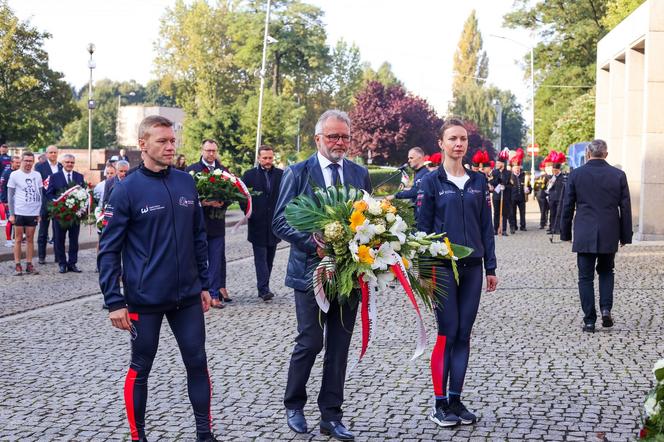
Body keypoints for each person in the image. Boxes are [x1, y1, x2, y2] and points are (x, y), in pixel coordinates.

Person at [98, 116, 216, 442]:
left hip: (188, 297)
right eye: (162, 141)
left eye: (172, 140)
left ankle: (205, 436)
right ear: (143, 145)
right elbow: (108, 251)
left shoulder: (185, 183)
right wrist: (114, 301)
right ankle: (139, 438)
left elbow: (198, 237)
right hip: (144, 300)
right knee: (140, 369)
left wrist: (204, 284)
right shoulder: (125, 191)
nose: (169, 146)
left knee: (197, 362)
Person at [273, 109, 372, 441]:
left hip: (349, 274)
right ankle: (294, 404)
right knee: (311, 341)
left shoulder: (359, 174)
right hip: (309, 272)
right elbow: (280, 222)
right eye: (332, 136)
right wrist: (311, 242)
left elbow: (370, 219)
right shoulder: (298, 173)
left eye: (344, 136)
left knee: (339, 346)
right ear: (318, 139)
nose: (339, 142)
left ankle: (331, 415)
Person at [418, 118, 498, 428]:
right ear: (441, 143)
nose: (458, 144)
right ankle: (439, 404)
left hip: (473, 267)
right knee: (447, 331)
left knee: (464, 333)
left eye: (463, 139)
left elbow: (486, 228)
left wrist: (490, 267)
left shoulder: (478, 182)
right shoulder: (430, 182)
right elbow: (422, 231)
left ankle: (455, 399)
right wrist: (423, 271)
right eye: (452, 138)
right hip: (442, 268)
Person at [560, 139, 632, 333]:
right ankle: (606, 309)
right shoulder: (618, 175)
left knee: (585, 278)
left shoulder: (576, 174)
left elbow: (568, 206)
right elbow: (625, 208)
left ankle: (590, 320)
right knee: (607, 272)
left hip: (584, 232)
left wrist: (565, 233)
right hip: (609, 231)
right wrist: (625, 236)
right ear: (606, 154)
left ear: (588, 154)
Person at [186, 139, 231, 308]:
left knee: (215, 260)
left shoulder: (223, 171)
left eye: (214, 151)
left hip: (217, 224)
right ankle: (198, 293)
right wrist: (203, 203)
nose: (211, 154)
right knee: (198, 260)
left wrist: (222, 203)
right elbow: (186, 197)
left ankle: (214, 295)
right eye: (208, 150)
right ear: (202, 150)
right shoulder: (191, 171)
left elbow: (232, 194)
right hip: (198, 224)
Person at [241, 145, 283, 301]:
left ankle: (264, 286)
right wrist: (249, 213)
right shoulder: (249, 175)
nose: (268, 161)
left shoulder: (281, 174)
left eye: (270, 158)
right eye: (265, 158)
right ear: (258, 158)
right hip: (257, 224)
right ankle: (263, 289)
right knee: (260, 259)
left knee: (269, 259)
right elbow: (242, 197)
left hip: (274, 224)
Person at [45, 154, 85, 274]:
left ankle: (72, 263)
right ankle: (62, 264)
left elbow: (83, 193)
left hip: (74, 216)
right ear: (62, 163)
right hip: (60, 215)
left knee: (74, 241)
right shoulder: (54, 177)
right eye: (67, 162)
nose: (69, 164)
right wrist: (57, 203)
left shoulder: (79, 177)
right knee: (59, 240)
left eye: (72, 162)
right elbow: (49, 193)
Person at [7, 151, 43, 276]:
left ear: (33, 162)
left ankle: (29, 264)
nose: (28, 163)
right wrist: (11, 214)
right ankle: (17, 265)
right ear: (21, 161)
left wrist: (39, 212)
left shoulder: (37, 175)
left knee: (30, 239)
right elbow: (10, 196)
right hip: (19, 211)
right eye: (26, 160)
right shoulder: (14, 175)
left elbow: (40, 194)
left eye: (30, 161)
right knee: (17, 239)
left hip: (32, 212)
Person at [35, 145, 63, 263]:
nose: (53, 154)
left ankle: (58, 256)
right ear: (46, 154)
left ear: (57, 153)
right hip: (44, 203)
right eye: (50, 152)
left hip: (58, 204)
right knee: (43, 232)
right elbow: (37, 186)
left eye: (55, 152)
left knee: (58, 232)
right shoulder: (40, 167)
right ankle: (41, 256)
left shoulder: (61, 166)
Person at [389, 147, 429, 220]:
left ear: (420, 157)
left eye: (411, 158)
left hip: (422, 216)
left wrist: (395, 196)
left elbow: (416, 192)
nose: (409, 161)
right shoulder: (419, 173)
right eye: (409, 158)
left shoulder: (424, 174)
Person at [489, 149, 513, 236]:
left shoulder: (509, 173)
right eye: (497, 163)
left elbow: (511, 185)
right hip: (496, 195)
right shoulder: (494, 172)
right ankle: (495, 229)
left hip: (505, 196)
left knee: (504, 213)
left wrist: (505, 187)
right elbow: (491, 182)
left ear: (502, 164)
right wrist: (497, 180)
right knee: (496, 213)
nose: (497, 164)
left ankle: (503, 230)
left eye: (498, 163)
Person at [1, 155, 20, 247]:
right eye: (16, 163)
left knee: (18, 220)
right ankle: (8, 241)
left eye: (19, 162)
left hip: (19, 201)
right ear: (11, 163)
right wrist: (5, 201)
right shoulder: (7, 173)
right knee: (10, 220)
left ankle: (16, 239)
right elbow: (3, 187)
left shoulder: (19, 172)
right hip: (9, 201)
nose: (18, 164)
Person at [546, 152, 566, 235]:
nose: (554, 172)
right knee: (552, 214)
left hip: (560, 198)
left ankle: (558, 228)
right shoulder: (551, 177)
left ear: (559, 170)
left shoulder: (563, 177)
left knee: (559, 214)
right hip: (552, 198)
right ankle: (551, 228)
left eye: (555, 170)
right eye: (553, 170)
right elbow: (548, 187)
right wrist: (550, 183)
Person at [510, 162, 529, 232]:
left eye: (518, 168)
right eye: (516, 168)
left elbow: (529, 186)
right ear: (512, 169)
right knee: (513, 213)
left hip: (521, 198)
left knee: (523, 213)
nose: (517, 170)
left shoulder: (524, 176)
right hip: (512, 198)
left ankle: (523, 226)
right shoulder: (510, 176)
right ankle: (514, 226)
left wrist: (528, 189)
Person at [533, 163, 551, 230]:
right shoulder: (548, 176)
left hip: (539, 195)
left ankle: (544, 222)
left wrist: (535, 194)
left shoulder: (537, 176)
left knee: (543, 210)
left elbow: (534, 187)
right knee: (544, 210)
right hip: (545, 195)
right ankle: (542, 223)